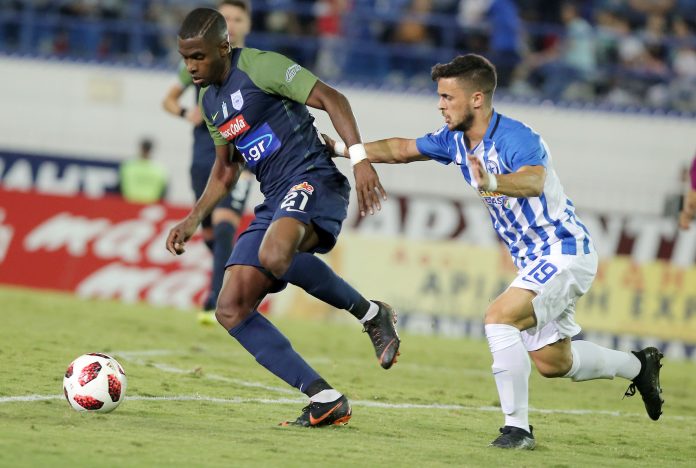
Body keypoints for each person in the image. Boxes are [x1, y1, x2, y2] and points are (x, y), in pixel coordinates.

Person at [325, 54, 664, 449]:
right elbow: (402, 148)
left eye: (448, 97)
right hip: (535, 260)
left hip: (564, 250)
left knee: (499, 317)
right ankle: (639, 366)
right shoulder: (453, 139)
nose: (440, 105)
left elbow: (534, 181)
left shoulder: (517, 138)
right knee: (553, 362)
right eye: (440, 96)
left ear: (477, 99)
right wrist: (342, 148)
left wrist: (492, 181)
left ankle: (518, 430)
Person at [165, 7, 401, 428]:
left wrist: (360, 159)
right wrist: (193, 218)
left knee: (275, 254)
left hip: (314, 179)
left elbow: (332, 98)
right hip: (276, 200)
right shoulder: (209, 101)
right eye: (186, 58)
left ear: (224, 47)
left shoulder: (261, 66)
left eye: (198, 56)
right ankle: (325, 399)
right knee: (230, 308)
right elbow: (225, 170)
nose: (192, 67)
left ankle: (369, 315)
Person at [162, 0, 254, 320]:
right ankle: (241, 281)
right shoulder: (198, 60)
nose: (232, 23)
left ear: (247, 25)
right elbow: (168, 100)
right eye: (225, 18)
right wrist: (187, 112)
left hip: (240, 157)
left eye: (237, 19)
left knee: (226, 225)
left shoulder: (254, 65)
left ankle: (216, 301)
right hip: (203, 156)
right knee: (212, 236)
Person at [119, 138, 168, 204]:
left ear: (141, 148)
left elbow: (120, 188)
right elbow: (163, 193)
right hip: (147, 205)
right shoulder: (159, 170)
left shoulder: (128, 166)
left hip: (132, 204)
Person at [679, 155, 696, 229]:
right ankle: (683, 224)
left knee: (688, 209)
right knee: (688, 209)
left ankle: (684, 223)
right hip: (693, 191)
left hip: (693, 190)